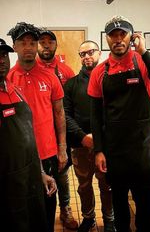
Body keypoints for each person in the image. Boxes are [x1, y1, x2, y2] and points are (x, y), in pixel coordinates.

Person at [87, 15, 150, 232]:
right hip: (115, 150)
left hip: (143, 149)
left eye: (122, 34)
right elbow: (95, 116)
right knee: (120, 204)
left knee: (144, 206)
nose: (117, 39)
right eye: (112, 35)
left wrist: (143, 52)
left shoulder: (143, 61)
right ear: (107, 39)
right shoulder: (100, 71)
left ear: (131, 37)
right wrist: (99, 151)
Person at [7, 22, 68, 232]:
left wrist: (62, 149)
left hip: (48, 154)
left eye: (32, 43)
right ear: (14, 47)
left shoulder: (50, 76)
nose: (28, 47)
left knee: (47, 208)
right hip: (19, 160)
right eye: (23, 43)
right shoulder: (6, 79)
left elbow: (60, 113)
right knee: (22, 210)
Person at [0, 38, 57, 232]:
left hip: (30, 178)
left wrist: (40, 172)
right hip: (7, 186)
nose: (1, 61)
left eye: (3, 55)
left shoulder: (14, 90)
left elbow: (29, 137)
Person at [64, 40, 115, 232]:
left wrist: (102, 137)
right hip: (80, 145)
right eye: (82, 54)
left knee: (107, 185)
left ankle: (109, 219)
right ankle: (88, 218)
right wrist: (83, 136)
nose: (86, 57)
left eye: (90, 52)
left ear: (99, 53)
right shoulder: (71, 85)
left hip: (106, 146)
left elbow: (116, 112)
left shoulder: (109, 80)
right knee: (84, 187)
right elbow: (65, 115)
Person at [37, 29, 78, 230]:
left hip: (61, 134)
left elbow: (70, 106)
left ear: (55, 45)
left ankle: (66, 208)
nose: (46, 45)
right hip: (38, 136)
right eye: (42, 41)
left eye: (50, 42)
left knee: (62, 174)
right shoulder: (31, 70)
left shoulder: (66, 71)